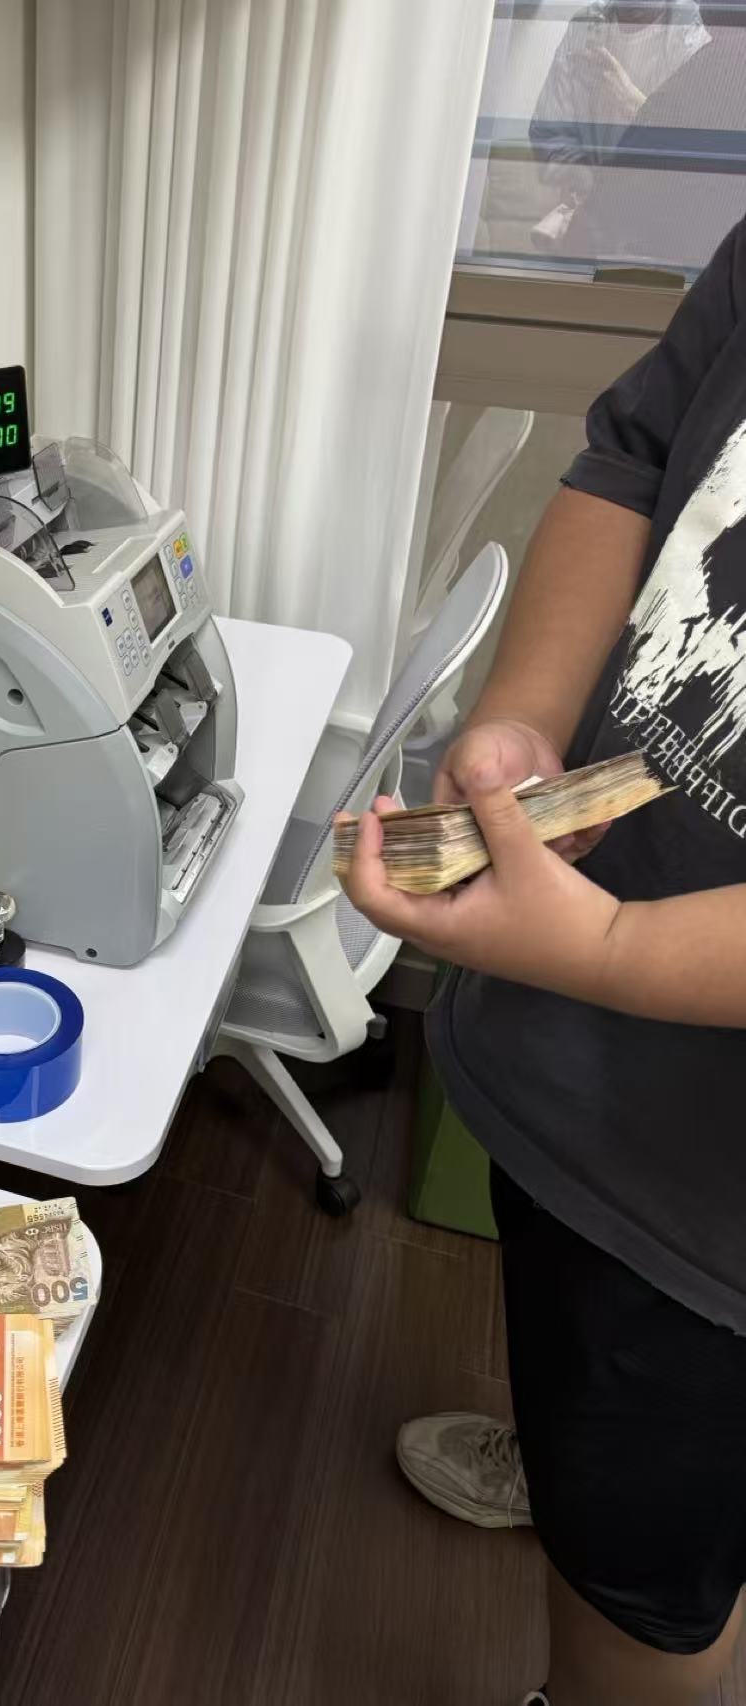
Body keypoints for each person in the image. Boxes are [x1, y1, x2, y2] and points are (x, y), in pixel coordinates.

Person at [340, 214, 746, 1706]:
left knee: (644, 1601)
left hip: (707, 1217)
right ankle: (570, 1468)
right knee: (594, 1397)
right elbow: (633, 458)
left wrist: (615, 943)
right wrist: (524, 713)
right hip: (583, 1065)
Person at [526, 1, 708, 254]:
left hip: (660, 232)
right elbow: (549, 131)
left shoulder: (692, 31)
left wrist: (631, 101)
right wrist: (584, 182)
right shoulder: (586, 24)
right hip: (590, 224)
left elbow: (692, 153)